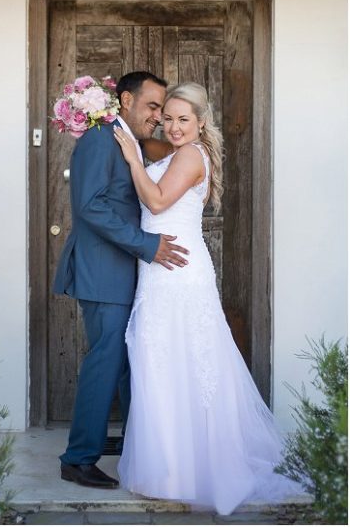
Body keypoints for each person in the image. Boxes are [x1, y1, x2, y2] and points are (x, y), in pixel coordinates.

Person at [113, 82, 303, 514]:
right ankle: (169, 470)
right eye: (168, 118)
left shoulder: (190, 155)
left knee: (176, 361)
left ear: (201, 123)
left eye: (184, 119)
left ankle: (184, 471)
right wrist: (121, 131)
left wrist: (132, 160)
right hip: (161, 271)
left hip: (177, 274)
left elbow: (157, 201)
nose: (174, 127)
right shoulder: (176, 151)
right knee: (164, 361)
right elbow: (149, 150)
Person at [52, 72, 189, 489]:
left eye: (162, 109)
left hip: (123, 273)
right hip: (103, 273)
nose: (158, 117)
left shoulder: (127, 140)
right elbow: (91, 207)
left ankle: (134, 445)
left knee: (129, 365)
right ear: (126, 100)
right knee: (106, 362)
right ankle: (78, 459)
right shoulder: (100, 138)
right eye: (153, 106)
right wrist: (147, 244)